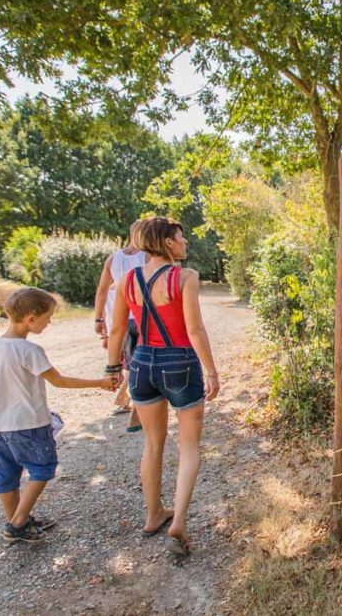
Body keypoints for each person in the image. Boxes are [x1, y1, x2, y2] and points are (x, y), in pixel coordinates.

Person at [106, 217, 220, 555]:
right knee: (188, 446)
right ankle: (179, 521)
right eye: (181, 237)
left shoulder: (127, 280)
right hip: (180, 363)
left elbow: (116, 332)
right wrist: (212, 372)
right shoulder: (185, 278)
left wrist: (113, 369)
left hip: (141, 364)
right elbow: (195, 330)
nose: (185, 243)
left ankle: (153, 514)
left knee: (153, 444)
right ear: (168, 243)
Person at [0, 287, 118, 544]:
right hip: (28, 423)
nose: (50, 323)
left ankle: (19, 521)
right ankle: (17, 523)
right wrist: (99, 383)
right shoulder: (29, 351)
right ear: (31, 318)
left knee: (7, 475)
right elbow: (58, 381)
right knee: (42, 468)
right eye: (47, 318)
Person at [93, 220, 148, 432]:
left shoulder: (113, 259)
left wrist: (99, 319)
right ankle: (128, 399)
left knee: (130, 360)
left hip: (117, 319)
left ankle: (124, 396)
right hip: (139, 316)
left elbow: (102, 290)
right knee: (138, 360)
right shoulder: (147, 257)